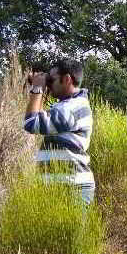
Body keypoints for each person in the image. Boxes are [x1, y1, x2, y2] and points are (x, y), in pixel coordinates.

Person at [23, 59, 95, 204]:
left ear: (67, 79)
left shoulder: (73, 107)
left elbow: (31, 123)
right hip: (62, 186)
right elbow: (39, 116)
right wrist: (41, 87)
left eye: (52, 79)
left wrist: (37, 89)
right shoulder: (65, 106)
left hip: (73, 188)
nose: (49, 84)